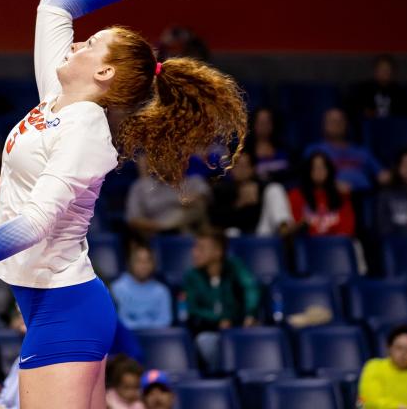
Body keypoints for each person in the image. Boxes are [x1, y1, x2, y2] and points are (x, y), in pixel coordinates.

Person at [0, 0, 246, 408]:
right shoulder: (56, 96)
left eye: (89, 45)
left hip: (65, 310)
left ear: (104, 71)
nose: (74, 44)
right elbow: (54, 3)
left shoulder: (86, 127)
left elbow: (34, 223)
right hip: (52, 305)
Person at [183, 228, 259, 370]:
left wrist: (250, 313)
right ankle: (221, 379)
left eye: (201, 248)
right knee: (205, 341)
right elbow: (192, 310)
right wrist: (218, 320)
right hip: (208, 331)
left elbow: (250, 288)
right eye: (195, 247)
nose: (194, 252)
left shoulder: (234, 267)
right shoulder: (191, 277)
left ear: (218, 252)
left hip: (237, 328)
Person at [303, 108, 390, 192]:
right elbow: (308, 179)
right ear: (324, 125)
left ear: (346, 124)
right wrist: (332, 185)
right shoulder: (314, 150)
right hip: (332, 198)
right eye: (332, 121)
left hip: (364, 197)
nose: (337, 125)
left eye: (340, 121)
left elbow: (382, 174)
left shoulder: (361, 151)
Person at [208, 153, 293, 236]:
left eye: (244, 166)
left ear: (252, 169)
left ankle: (285, 230)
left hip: (263, 232)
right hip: (238, 238)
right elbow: (215, 220)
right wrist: (239, 204)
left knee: (274, 188)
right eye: (237, 166)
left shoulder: (260, 186)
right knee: (232, 231)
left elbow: (259, 217)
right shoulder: (223, 189)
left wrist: (256, 202)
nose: (240, 170)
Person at [357, 324, 407, 409]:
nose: (404, 353)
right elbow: (364, 403)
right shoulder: (373, 367)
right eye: (399, 348)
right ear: (389, 348)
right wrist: (396, 407)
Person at [125, 157, 209, 240]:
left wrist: (188, 201)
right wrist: (159, 226)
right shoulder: (140, 186)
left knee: (194, 209)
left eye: (172, 158)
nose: (166, 165)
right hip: (153, 236)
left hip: (190, 234)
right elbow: (133, 220)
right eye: (162, 160)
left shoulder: (194, 181)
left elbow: (203, 200)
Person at [287, 152, 356, 237]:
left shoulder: (341, 194)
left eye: (322, 167)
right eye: (314, 167)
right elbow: (295, 227)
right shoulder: (296, 195)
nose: (319, 171)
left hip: (335, 244)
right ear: (308, 171)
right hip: (308, 244)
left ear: (329, 170)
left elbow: (348, 227)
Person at [109, 245, 172, 330]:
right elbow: (118, 320)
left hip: (156, 339)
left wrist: (146, 332)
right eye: (139, 261)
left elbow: (165, 321)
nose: (143, 265)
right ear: (130, 263)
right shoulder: (117, 289)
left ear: (153, 264)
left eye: (147, 261)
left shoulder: (162, 291)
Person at [348, 54, 407, 120]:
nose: (385, 72)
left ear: (394, 73)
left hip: (395, 127)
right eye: (382, 69)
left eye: (388, 69)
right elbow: (355, 110)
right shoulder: (364, 89)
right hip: (370, 126)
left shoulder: (402, 92)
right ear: (375, 71)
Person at [245, 108, 293, 185]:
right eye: (261, 122)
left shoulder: (285, 149)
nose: (264, 125)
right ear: (254, 125)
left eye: (267, 122)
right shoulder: (246, 151)